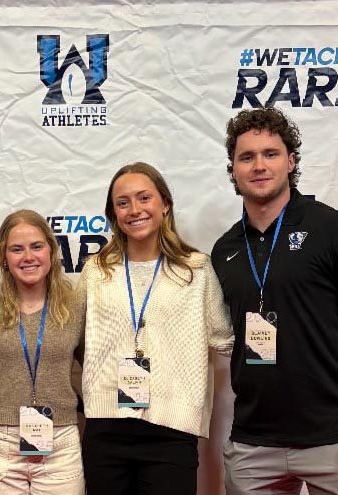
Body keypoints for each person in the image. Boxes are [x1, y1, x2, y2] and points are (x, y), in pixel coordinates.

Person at [211, 107, 338, 495]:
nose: (259, 165)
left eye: (270, 154)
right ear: (233, 170)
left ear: (291, 161)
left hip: (335, 437)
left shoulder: (334, 229)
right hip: (253, 441)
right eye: (247, 157)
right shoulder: (224, 250)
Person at [79, 162, 234, 495]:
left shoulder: (196, 269)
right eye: (123, 202)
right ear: (113, 213)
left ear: (165, 204)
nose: (134, 210)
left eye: (144, 198)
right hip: (106, 427)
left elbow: (224, 339)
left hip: (172, 429)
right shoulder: (96, 270)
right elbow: (72, 338)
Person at [0, 209, 85, 494]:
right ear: (4, 258)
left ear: (51, 250)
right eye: (16, 249)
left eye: (36, 246)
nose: (28, 257)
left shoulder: (77, 306)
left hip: (60, 444)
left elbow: (94, 365)